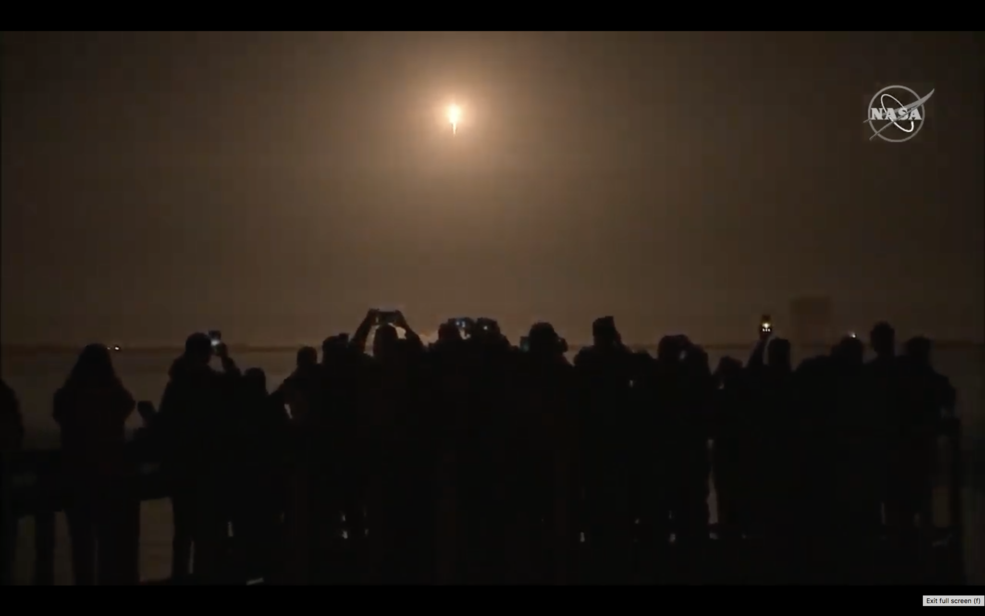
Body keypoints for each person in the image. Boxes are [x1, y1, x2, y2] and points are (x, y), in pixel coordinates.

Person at [157, 333, 240, 582]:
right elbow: (236, 385)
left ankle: (180, 575)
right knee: (208, 530)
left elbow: (165, 423)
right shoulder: (210, 381)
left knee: (182, 529)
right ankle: (207, 575)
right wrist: (226, 358)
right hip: (208, 465)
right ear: (206, 353)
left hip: (181, 465)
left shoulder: (176, 383)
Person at [53, 344, 137, 585]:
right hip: (109, 480)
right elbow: (127, 403)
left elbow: (58, 411)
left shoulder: (69, 395)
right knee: (108, 544)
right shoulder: (113, 395)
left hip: (77, 478)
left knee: (81, 544)